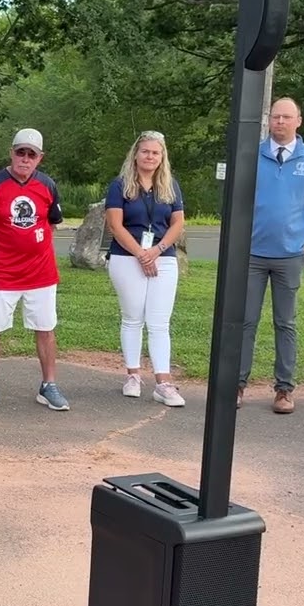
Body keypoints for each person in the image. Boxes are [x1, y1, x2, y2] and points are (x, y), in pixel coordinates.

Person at [238, 97, 304, 414]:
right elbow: (236, 204)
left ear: (299, 121)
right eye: (275, 116)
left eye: (286, 117)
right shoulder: (252, 156)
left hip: (291, 256)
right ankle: (236, 386)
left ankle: (284, 390)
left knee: (285, 323)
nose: (279, 121)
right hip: (251, 255)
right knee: (245, 322)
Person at [0, 128, 69, 410]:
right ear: (11, 153)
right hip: (2, 273)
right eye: (20, 152)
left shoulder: (47, 185)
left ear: (40, 158)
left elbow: (52, 221)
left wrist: (36, 242)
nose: (25, 158)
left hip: (41, 273)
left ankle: (49, 385)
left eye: (31, 154)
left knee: (45, 328)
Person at [104, 131, 187, 407]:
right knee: (132, 317)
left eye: (156, 152)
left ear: (162, 156)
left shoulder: (170, 186)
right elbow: (116, 225)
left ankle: (163, 382)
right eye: (145, 151)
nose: (150, 156)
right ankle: (133, 375)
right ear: (135, 154)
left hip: (162, 256)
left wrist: (157, 251)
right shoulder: (120, 186)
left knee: (159, 322)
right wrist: (141, 254)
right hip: (127, 257)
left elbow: (177, 223)